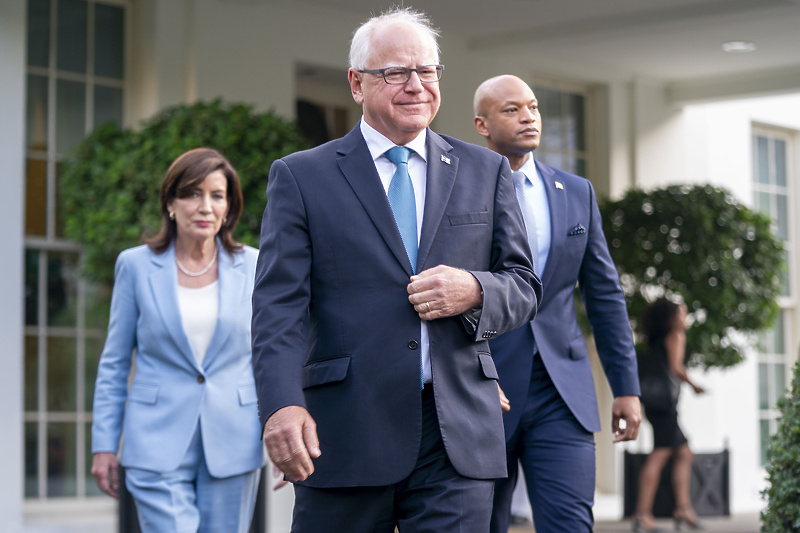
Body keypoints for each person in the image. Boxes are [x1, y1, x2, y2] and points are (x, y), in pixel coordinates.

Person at [250, 9, 541, 533]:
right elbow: (278, 308)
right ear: (356, 84)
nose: (416, 85)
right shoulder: (301, 176)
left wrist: (474, 288)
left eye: (427, 71)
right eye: (395, 73)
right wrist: (280, 406)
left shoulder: (486, 169)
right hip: (344, 429)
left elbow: (523, 285)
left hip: (456, 432)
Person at [473, 74, 642, 533]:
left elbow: (604, 295)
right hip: (483, 391)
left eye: (533, 107)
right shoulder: (458, 192)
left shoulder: (577, 192)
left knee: (570, 525)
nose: (528, 116)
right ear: (482, 124)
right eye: (511, 109)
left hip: (561, 391)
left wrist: (626, 386)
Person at [91, 148, 265, 532]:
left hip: (234, 440)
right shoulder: (135, 266)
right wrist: (104, 444)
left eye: (217, 196)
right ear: (170, 203)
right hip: (154, 441)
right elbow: (115, 362)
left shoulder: (254, 265)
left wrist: (285, 427)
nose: (205, 207)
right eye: (192, 194)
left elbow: (275, 353)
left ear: (228, 207)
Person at [634, 299, 706, 532]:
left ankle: (683, 508)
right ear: (674, 318)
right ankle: (643, 513)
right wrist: (694, 385)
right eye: (683, 314)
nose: (685, 318)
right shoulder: (676, 335)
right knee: (661, 454)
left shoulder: (654, 339)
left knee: (684, 452)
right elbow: (676, 368)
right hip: (665, 405)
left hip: (656, 404)